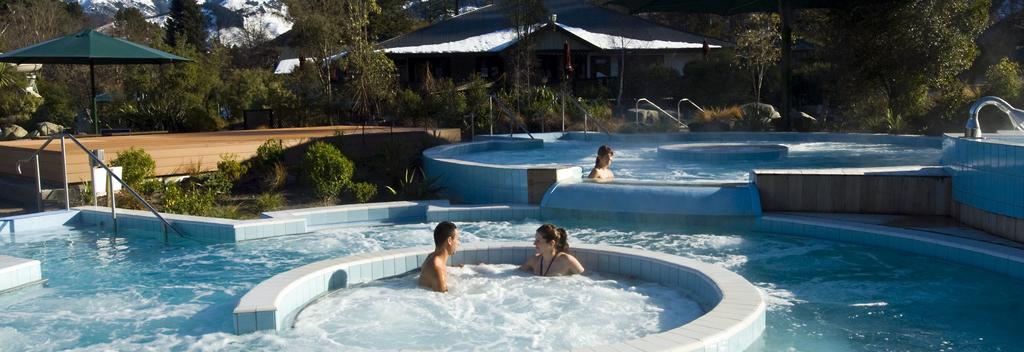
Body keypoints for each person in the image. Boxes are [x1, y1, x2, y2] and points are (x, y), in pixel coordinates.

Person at [521, 224, 585, 276]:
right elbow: (516, 274)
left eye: (538, 241)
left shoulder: (566, 260)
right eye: (535, 240)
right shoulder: (534, 260)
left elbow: (585, 279)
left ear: (552, 243)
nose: (534, 243)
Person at [419, 221, 460, 292]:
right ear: (449, 240)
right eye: (457, 239)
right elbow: (443, 300)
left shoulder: (432, 257)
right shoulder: (437, 270)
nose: (458, 243)